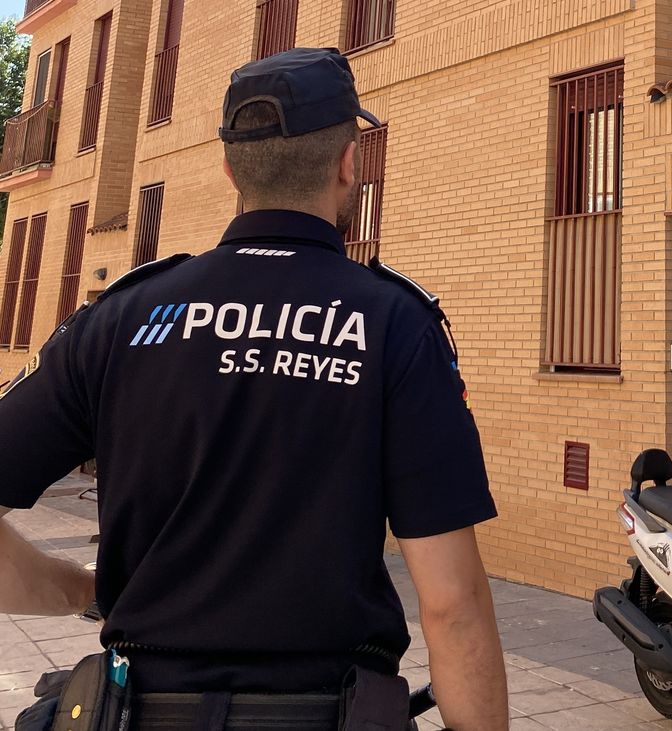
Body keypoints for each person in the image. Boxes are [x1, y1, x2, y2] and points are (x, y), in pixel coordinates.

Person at [0, 48, 507, 731]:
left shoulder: (120, 319)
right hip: (326, 708)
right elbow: (453, 605)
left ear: (231, 169)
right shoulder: (395, 324)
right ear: (348, 164)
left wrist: (86, 590)